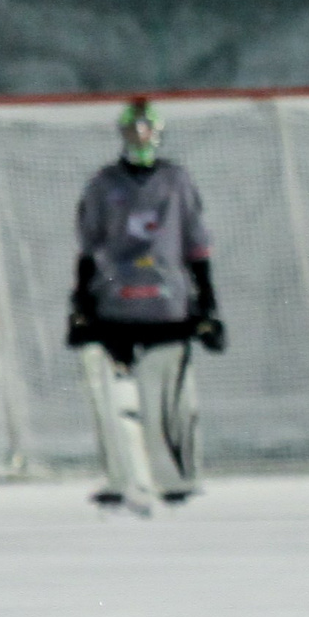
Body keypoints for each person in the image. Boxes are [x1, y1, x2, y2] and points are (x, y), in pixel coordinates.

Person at [68, 98, 225, 515]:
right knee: (117, 402)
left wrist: (207, 304)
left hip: (168, 306)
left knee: (168, 402)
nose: (140, 137)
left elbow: (196, 244)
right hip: (115, 306)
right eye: (132, 129)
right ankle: (123, 480)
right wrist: (80, 303)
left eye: (146, 129)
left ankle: (174, 481)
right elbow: (89, 245)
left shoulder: (176, 181)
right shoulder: (103, 185)